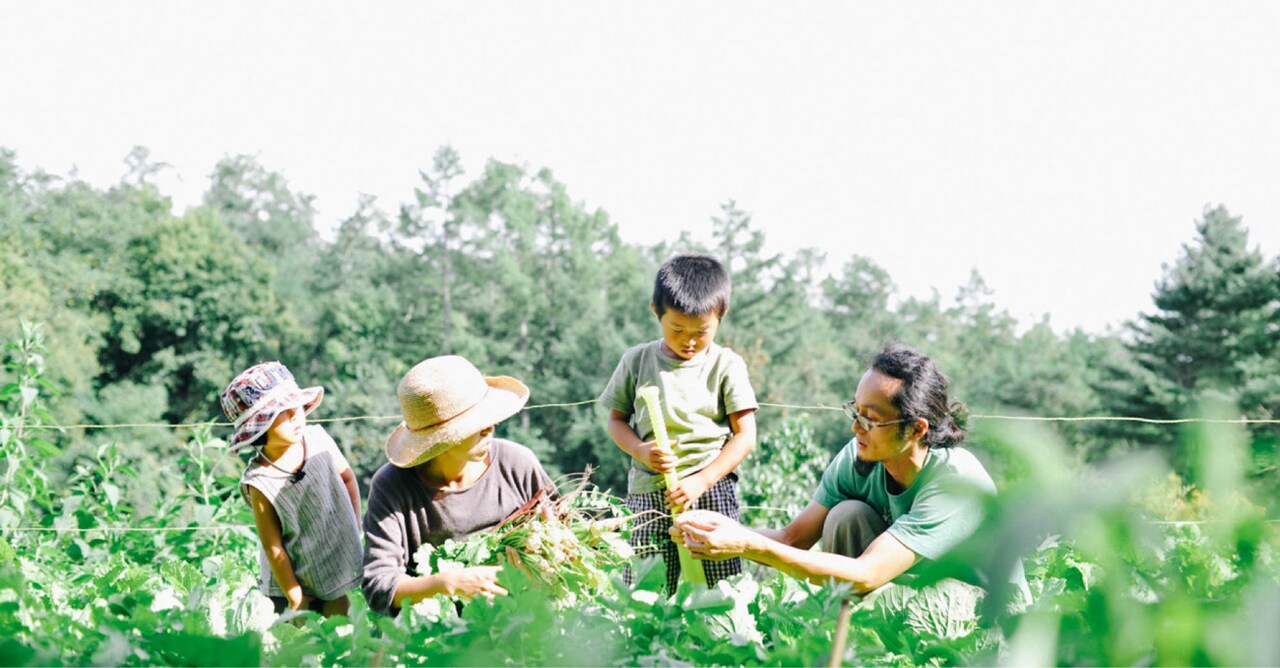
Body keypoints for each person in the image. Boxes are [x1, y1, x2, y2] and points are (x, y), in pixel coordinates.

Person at [673, 343, 1031, 602]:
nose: (856, 428)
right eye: (854, 411)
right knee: (847, 515)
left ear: (917, 429)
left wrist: (747, 544)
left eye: (870, 419)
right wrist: (722, 530)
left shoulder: (955, 481)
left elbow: (869, 573)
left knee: (862, 566)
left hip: (984, 610)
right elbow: (793, 538)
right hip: (916, 590)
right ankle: (848, 646)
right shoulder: (860, 456)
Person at [599, 253, 758, 592]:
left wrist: (701, 480)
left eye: (701, 332)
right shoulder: (637, 360)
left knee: (721, 585)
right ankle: (649, 644)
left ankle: (723, 640)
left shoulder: (726, 365)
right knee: (645, 586)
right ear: (655, 310)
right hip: (649, 493)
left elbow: (745, 437)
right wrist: (641, 450)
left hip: (710, 488)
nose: (688, 341)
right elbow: (616, 421)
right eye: (677, 329)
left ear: (722, 315)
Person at [362, 355, 554, 616]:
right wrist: (448, 584)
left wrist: (547, 555)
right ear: (440, 441)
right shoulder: (393, 486)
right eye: (476, 424)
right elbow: (379, 585)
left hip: (520, 620)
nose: (489, 428)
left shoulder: (517, 464)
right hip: (435, 633)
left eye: (488, 418)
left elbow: (561, 529)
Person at [220, 361, 363, 617]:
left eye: (295, 406)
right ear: (259, 429)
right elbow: (273, 548)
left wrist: (355, 527)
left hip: (336, 560)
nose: (295, 415)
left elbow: (348, 479)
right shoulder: (261, 481)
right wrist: (295, 594)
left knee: (343, 632)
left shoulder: (319, 439)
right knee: (301, 645)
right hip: (292, 577)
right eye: (281, 413)